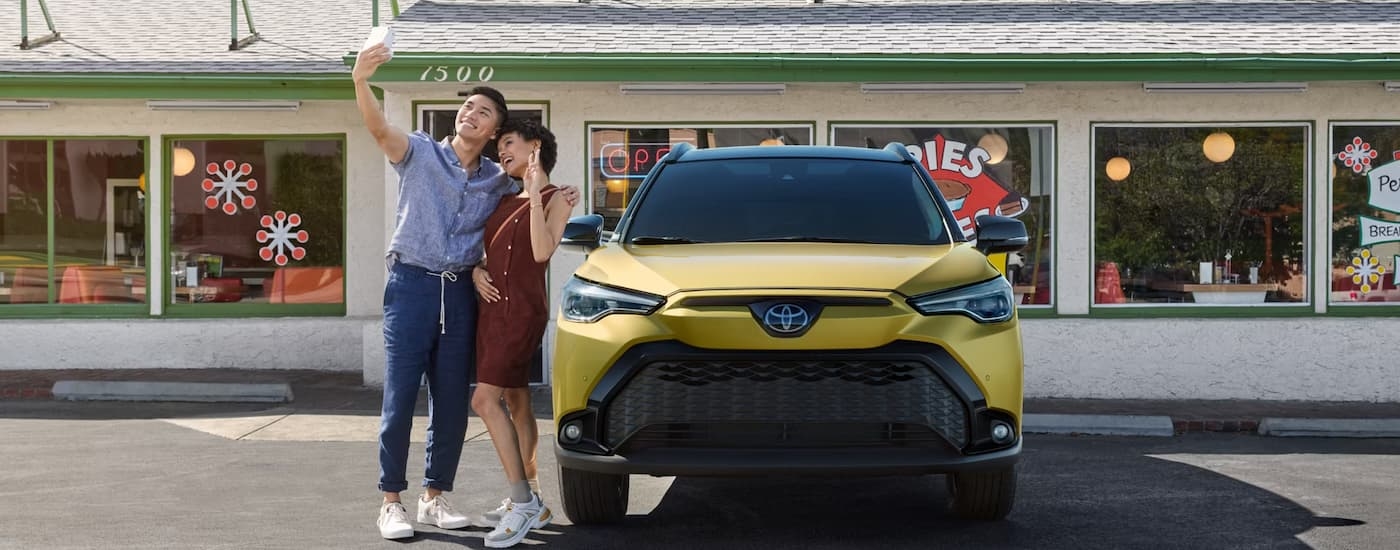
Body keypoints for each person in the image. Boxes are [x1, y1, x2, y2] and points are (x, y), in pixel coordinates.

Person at [352, 43, 580, 540]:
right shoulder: (419, 151)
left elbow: (515, 224)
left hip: (458, 293)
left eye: (483, 111)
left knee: (453, 400)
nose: (470, 113)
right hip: (412, 284)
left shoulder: (497, 181)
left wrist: (479, 263)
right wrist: (361, 80)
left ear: (495, 129)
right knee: (400, 397)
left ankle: (435, 496)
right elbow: (376, 128)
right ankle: (391, 501)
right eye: (467, 106)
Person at [469, 119, 572, 548]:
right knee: (515, 399)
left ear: (535, 146)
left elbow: (542, 251)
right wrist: (476, 271)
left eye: (509, 142)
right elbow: (484, 250)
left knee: (483, 399)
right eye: (499, 146)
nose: (501, 152)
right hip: (492, 311)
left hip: (522, 313)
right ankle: (533, 494)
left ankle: (522, 499)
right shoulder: (502, 199)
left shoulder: (557, 198)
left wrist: (532, 197)